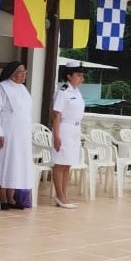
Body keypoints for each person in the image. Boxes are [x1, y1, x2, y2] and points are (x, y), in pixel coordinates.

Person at [0, 61, 34, 210]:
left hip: (21, 135)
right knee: (5, 164)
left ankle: (11, 197)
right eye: (20, 72)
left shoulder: (23, 89)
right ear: (12, 73)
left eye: (25, 72)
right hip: (7, 133)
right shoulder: (2, 87)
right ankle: (3, 197)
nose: (24, 75)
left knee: (16, 165)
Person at [50, 61, 85, 209]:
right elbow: (56, 114)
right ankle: (59, 195)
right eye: (78, 75)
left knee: (68, 163)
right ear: (69, 76)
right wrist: (56, 136)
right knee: (60, 164)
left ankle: (65, 194)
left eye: (81, 75)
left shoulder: (77, 92)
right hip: (63, 128)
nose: (81, 78)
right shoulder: (63, 91)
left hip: (74, 129)